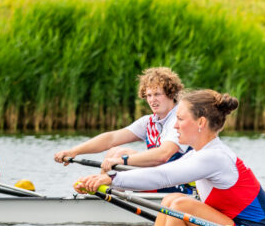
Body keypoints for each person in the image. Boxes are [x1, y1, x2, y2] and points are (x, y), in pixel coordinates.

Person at [74, 89, 265, 226]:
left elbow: (163, 176)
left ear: (201, 122)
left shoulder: (215, 157)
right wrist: (107, 182)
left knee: (179, 205)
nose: (175, 126)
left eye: (180, 119)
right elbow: (162, 171)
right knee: (171, 200)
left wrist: (111, 179)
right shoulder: (199, 153)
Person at [54, 67, 189, 174]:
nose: (152, 100)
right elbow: (111, 139)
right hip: (159, 177)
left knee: (119, 154)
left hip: (178, 182)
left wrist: (122, 160)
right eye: (148, 95)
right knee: (113, 152)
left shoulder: (179, 120)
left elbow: (163, 155)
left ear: (171, 94)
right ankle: (103, 190)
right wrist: (74, 151)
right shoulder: (149, 122)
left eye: (157, 94)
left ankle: (102, 189)